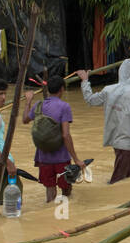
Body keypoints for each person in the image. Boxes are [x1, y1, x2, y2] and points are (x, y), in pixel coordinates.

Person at [77, 58, 130, 184]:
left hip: (114, 139)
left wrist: (85, 81)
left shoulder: (109, 90)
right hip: (125, 142)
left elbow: (90, 100)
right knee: (116, 182)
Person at [23, 75, 85, 203]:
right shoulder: (64, 107)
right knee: (66, 189)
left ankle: (49, 212)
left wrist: (28, 101)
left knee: (50, 191)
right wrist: (76, 159)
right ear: (62, 89)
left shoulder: (38, 105)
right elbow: (65, 135)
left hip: (43, 157)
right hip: (61, 157)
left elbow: (25, 120)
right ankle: (64, 215)